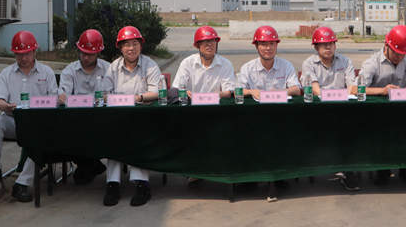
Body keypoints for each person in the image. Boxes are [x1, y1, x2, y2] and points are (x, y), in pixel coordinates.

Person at [0, 31, 57, 202]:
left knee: (42, 137)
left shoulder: (46, 72)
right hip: (14, 119)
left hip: (38, 123)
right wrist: (6, 106)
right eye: (19, 54)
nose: (23, 58)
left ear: (35, 51)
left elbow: (54, 100)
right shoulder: (7, 73)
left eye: (27, 53)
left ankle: (22, 184)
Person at [351, 25, 406, 187]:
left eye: (403, 54)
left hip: (403, 109)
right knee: (382, 130)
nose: (400, 57)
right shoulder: (372, 62)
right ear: (386, 45)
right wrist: (381, 91)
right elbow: (355, 89)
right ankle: (382, 169)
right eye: (396, 53)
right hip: (378, 111)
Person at [237, 25, 302, 193]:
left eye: (272, 44)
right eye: (263, 44)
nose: (268, 48)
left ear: (277, 45)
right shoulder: (247, 68)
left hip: (280, 117)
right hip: (254, 118)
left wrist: (280, 92)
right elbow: (237, 91)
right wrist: (252, 91)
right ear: (256, 46)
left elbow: (296, 89)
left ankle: (278, 177)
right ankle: (251, 178)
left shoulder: (286, 65)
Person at [102, 26, 161, 207]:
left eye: (135, 44)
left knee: (139, 136)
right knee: (114, 137)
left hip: (143, 116)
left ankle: (142, 185)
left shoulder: (150, 65)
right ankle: (112, 184)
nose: (131, 48)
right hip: (119, 117)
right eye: (126, 45)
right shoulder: (113, 67)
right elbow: (104, 94)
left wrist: (138, 98)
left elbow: (156, 92)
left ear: (140, 46)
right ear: (120, 48)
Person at [172, 26, 235, 188]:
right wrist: (185, 92)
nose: (209, 45)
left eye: (212, 41)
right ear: (197, 45)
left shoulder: (225, 64)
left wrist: (221, 93)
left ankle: (217, 170)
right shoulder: (188, 63)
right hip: (192, 112)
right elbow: (177, 88)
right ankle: (195, 171)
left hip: (217, 112)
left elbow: (230, 91)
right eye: (205, 42)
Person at [302, 26, 359, 191]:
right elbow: (315, 90)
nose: (328, 47)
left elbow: (351, 88)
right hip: (319, 110)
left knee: (352, 129)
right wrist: (336, 95)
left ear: (335, 45)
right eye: (323, 44)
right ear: (316, 47)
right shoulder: (309, 63)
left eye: (331, 43)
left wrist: (340, 97)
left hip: (342, 109)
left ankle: (349, 172)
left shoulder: (345, 61)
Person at [57, 29, 111, 185]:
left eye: (91, 55)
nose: (86, 57)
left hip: (102, 118)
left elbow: (114, 92)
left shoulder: (109, 69)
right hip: (77, 118)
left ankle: (90, 163)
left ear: (98, 53)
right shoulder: (70, 70)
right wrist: (62, 95)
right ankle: (91, 163)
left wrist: (108, 97)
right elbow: (64, 90)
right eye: (83, 53)